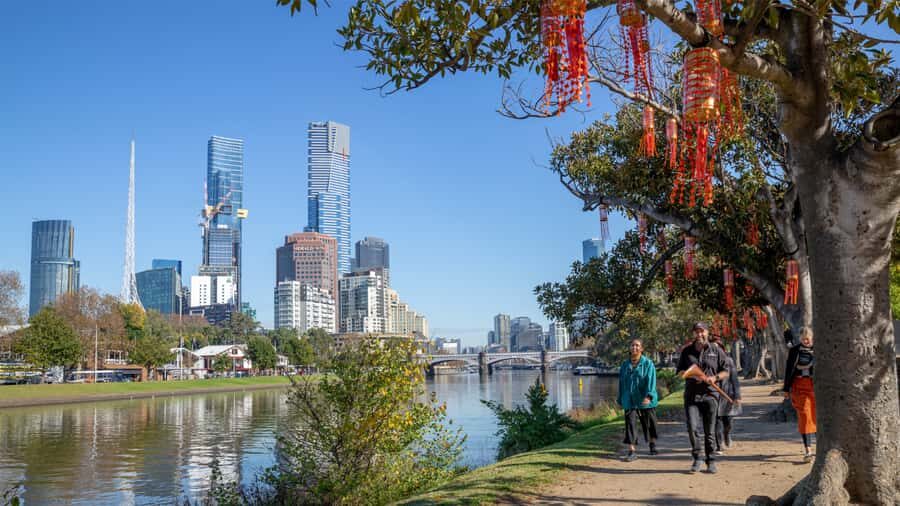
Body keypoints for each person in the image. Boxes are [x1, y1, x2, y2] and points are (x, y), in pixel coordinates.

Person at [676, 322, 731, 474]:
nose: (699, 334)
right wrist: (690, 374)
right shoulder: (687, 351)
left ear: (707, 332)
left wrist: (714, 378)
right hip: (691, 396)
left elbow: (726, 371)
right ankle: (697, 458)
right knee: (692, 428)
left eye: (702, 331)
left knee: (710, 431)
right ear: (693, 333)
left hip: (710, 395)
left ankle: (711, 460)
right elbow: (680, 371)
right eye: (696, 332)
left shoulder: (716, 350)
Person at [617, 338, 659, 461]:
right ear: (630, 348)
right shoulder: (625, 365)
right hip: (629, 399)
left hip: (645, 397)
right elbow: (621, 383)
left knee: (649, 422)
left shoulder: (648, 363)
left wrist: (648, 396)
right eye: (632, 345)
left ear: (641, 348)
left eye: (637, 345)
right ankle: (632, 450)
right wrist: (620, 399)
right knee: (630, 423)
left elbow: (651, 380)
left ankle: (652, 444)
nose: (634, 347)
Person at [783, 327, 816, 461]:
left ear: (812, 338)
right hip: (799, 386)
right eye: (803, 339)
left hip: (815, 387)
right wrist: (786, 389)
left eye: (807, 339)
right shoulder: (795, 351)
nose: (805, 341)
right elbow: (789, 370)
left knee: (816, 416)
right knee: (804, 415)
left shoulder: (818, 350)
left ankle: (821, 447)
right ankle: (808, 450)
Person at [710, 335, 741, 453]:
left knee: (728, 422)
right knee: (716, 422)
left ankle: (726, 434)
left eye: (717, 347)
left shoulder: (729, 361)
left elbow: (734, 379)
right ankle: (719, 445)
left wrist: (737, 396)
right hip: (713, 395)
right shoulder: (707, 362)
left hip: (728, 396)